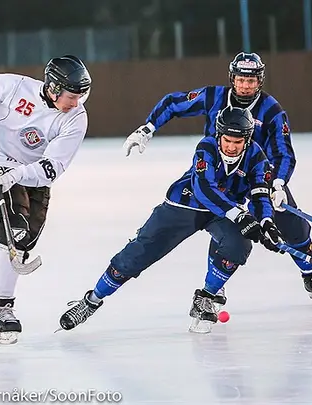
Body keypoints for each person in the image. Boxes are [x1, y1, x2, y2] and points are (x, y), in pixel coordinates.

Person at [120, 52, 312, 305]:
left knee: (293, 224)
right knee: (226, 231)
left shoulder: (272, 110)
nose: (245, 86)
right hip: (216, 178)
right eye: (241, 79)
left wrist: (279, 183)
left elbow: (284, 152)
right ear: (232, 78)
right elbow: (174, 103)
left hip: (256, 180)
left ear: (260, 81)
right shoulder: (213, 97)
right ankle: (214, 289)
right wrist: (147, 128)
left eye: (251, 81)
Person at [58, 107, 284, 334]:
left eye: (238, 142)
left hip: (221, 212)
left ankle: (207, 295)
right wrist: (239, 215)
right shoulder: (206, 147)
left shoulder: (257, 157)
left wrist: (266, 222)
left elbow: (260, 193)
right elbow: (204, 189)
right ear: (218, 135)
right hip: (185, 205)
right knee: (134, 257)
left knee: (239, 245)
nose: (232, 147)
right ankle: (92, 300)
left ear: (246, 139)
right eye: (227, 140)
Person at [0, 55, 92, 345]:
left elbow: (53, 167)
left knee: (16, 249)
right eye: (72, 97)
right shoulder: (14, 87)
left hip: (35, 179)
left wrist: (19, 174)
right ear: (52, 87)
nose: (76, 103)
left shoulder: (76, 118)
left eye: (81, 96)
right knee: (14, 229)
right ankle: (2, 309)